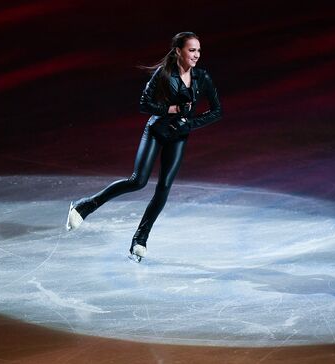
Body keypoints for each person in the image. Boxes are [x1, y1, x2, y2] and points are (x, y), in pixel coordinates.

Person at [65, 31, 222, 262]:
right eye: (192, 50)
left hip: (179, 136)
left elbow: (217, 111)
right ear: (178, 51)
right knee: (137, 181)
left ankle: (140, 239)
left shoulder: (202, 78)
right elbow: (144, 104)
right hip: (156, 131)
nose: (196, 55)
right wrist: (173, 111)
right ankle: (84, 206)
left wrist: (190, 123)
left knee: (164, 188)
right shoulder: (164, 74)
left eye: (198, 50)